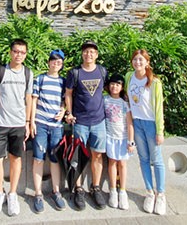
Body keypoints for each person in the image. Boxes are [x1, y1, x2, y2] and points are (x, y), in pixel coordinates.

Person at [0, 39, 33, 217]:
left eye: (22, 52)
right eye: (16, 51)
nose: (18, 55)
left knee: (16, 159)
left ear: (26, 54)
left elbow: (28, 99)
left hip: (19, 124)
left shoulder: (28, 73)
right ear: (10, 52)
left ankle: (12, 194)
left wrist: (28, 123)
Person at [64, 40, 108, 210]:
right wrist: (69, 113)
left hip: (99, 121)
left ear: (96, 54)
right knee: (78, 158)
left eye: (92, 51)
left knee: (97, 155)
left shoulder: (102, 71)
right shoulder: (75, 73)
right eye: (85, 51)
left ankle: (96, 188)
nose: (88, 54)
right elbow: (68, 94)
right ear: (82, 54)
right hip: (80, 122)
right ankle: (79, 189)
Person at [125, 49, 167, 215]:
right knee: (143, 159)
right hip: (136, 123)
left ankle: (161, 194)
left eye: (141, 60)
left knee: (156, 160)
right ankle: (149, 192)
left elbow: (159, 108)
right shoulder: (129, 77)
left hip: (151, 123)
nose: (138, 63)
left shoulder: (154, 82)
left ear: (147, 62)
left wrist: (160, 130)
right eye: (135, 60)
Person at [30, 49, 67, 213]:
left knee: (54, 159)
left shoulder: (64, 82)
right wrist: (30, 122)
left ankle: (56, 191)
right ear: (48, 62)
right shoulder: (40, 79)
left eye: (59, 62)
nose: (56, 64)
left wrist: (64, 110)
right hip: (41, 124)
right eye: (53, 61)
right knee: (38, 158)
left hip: (57, 126)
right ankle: (38, 193)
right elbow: (33, 101)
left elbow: (66, 100)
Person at [103, 74, 135, 210]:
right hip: (110, 137)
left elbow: (130, 123)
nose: (114, 87)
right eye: (112, 84)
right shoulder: (105, 100)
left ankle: (122, 191)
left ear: (122, 87)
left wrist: (131, 141)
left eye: (117, 84)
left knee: (122, 163)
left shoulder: (125, 103)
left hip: (123, 138)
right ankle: (112, 190)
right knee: (112, 162)